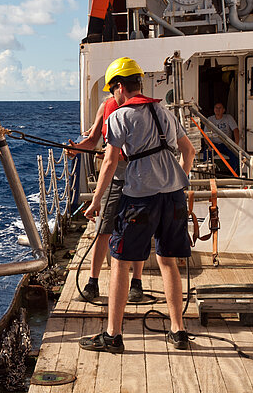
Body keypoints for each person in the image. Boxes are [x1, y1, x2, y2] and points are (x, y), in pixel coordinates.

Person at [79, 57, 196, 354]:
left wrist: (95, 201)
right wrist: (178, 179)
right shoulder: (164, 112)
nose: (112, 95)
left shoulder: (119, 117)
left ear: (120, 87)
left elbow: (109, 161)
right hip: (174, 197)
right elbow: (189, 151)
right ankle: (179, 331)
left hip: (140, 199)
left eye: (112, 90)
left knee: (119, 262)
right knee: (168, 260)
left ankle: (113, 336)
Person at [68, 95, 145, 303]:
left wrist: (118, 156)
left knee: (137, 230)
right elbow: (93, 140)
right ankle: (92, 283)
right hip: (114, 178)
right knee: (102, 228)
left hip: (138, 178)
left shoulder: (142, 111)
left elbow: (143, 148)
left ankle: (137, 283)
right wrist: (77, 149)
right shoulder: (105, 107)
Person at [204, 103, 240, 174]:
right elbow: (205, 134)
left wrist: (236, 144)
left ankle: (234, 174)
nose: (218, 110)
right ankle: (209, 174)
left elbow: (235, 130)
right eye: (216, 108)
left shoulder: (228, 118)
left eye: (220, 108)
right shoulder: (210, 119)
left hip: (226, 143)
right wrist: (208, 145)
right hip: (214, 144)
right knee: (207, 154)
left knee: (235, 154)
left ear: (223, 110)